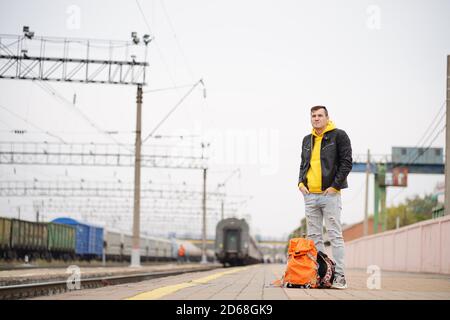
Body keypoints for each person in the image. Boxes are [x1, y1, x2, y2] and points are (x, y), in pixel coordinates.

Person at [298, 105, 352, 289]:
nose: (316, 118)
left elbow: (346, 163)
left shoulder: (339, 136)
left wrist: (335, 186)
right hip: (310, 195)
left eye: (320, 115)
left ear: (327, 117)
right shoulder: (307, 139)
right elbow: (303, 164)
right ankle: (322, 275)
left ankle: (339, 277)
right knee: (314, 238)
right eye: (313, 116)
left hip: (330, 195)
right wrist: (300, 183)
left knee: (335, 236)